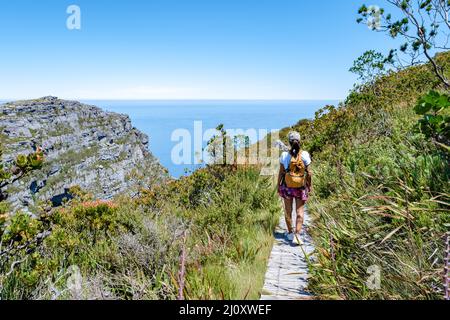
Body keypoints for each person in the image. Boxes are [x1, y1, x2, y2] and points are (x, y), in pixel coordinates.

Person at [277, 131, 313, 246]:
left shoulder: (284, 155)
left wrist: (278, 185)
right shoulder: (305, 155)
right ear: (300, 141)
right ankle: (297, 235)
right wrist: (309, 185)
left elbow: (281, 172)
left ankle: (290, 233)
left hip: (287, 187)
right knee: (300, 211)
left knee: (288, 211)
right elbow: (310, 173)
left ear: (289, 141)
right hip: (300, 187)